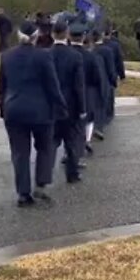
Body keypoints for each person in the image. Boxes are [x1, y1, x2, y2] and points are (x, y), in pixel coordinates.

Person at [0, 21, 66, 206]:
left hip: (14, 110)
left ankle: (23, 192)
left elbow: (2, 87)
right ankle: (41, 183)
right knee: (44, 148)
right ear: (37, 36)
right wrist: (61, 106)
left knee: (20, 153)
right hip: (40, 110)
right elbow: (53, 86)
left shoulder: (7, 56)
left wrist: (3, 109)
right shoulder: (43, 57)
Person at [49, 19, 87, 183]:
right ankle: (72, 173)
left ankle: (44, 172)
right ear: (67, 34)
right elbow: (78, 85)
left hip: (51, 104)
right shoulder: (75, 56)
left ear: (52, 34)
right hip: (70, 104)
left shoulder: (45, 54)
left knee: (51, 141)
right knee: (71, 141)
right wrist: (82, 107)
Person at [80, 29, 110, 156]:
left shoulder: (72, 54)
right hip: (88, 91)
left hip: (72, 92)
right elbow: (97, 77)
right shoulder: (93, 57)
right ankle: (87, 140)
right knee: (89, 118)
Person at [92, 30, 120, 134]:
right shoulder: (107, 50)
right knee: (103, 103)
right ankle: (100, 125)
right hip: (105, 81)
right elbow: (111, 68)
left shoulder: (91, 50)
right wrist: (114, 80)